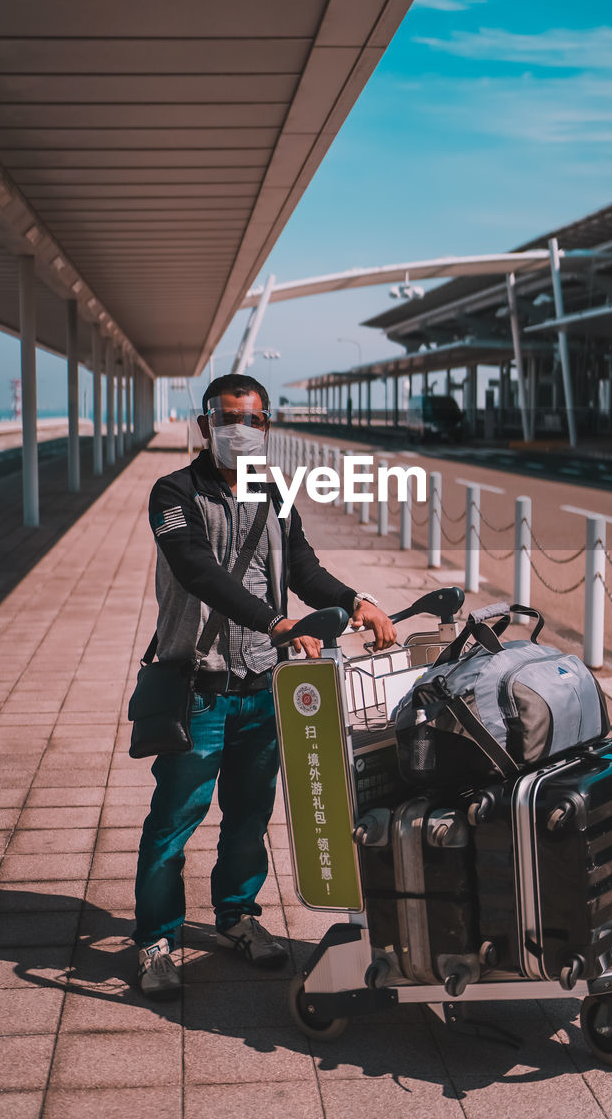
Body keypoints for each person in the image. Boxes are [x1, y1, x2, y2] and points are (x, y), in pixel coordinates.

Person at [135, 373, 396, 998]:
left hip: (263, 686)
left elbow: (303, 567)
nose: (240, 432)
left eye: (252, 420)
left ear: (267, 425)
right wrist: (278, 622)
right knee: (174, 820)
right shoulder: (172, 493)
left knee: (248, 817)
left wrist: (357, 601)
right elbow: (197, 572)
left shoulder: (273, 490)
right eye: (228, 420)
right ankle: (155, 940)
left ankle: (236, 918)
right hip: (199, 686)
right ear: (204, 427)